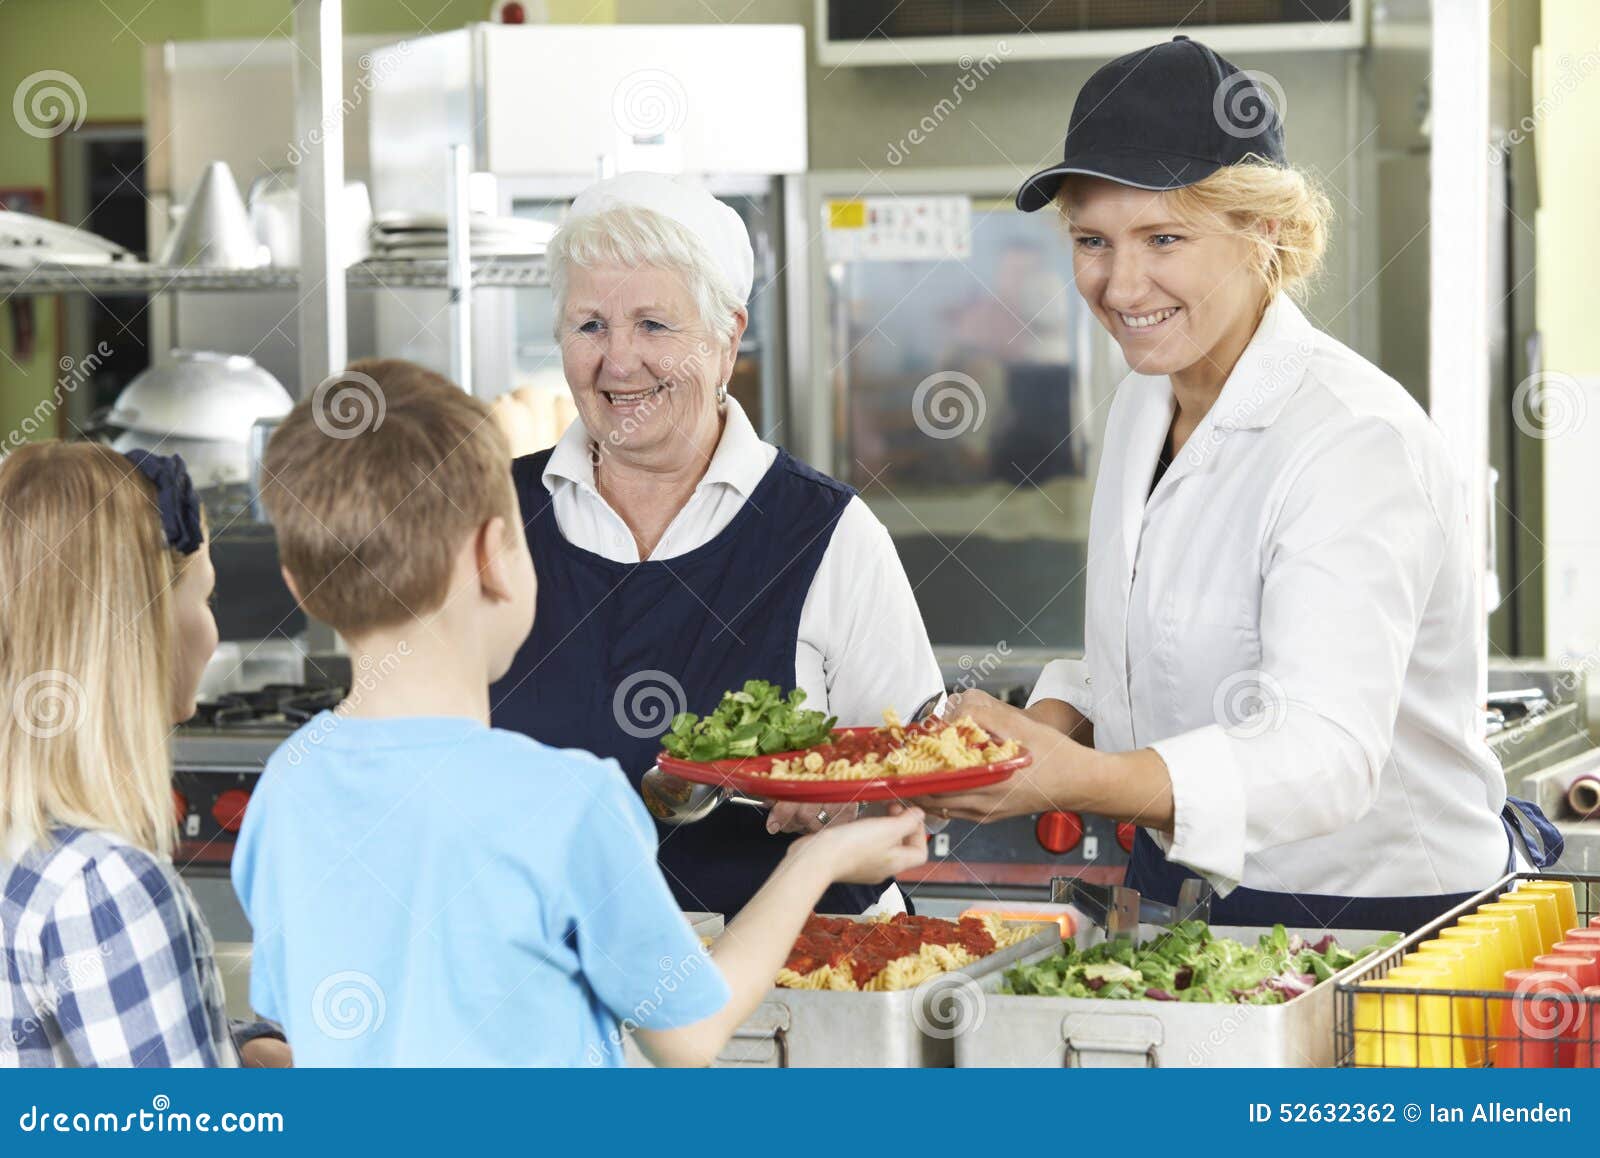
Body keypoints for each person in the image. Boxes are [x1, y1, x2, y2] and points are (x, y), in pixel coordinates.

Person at [913, 36, 1560, 931]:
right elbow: (1145, 655)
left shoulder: (1351, 439)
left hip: (1380, 924)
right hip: (1192, 906)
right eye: (1091, 240)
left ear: (1268, 232)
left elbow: (1323, 755)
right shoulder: (1146, 401)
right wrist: (1043, 725)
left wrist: (1079, 781)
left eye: (1164, 237)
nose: (1119, 282)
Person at [238, 360, 928, 1066]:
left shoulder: (286, 786)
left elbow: (296, 1037)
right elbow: (687, 1033)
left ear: (301, 585)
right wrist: (818, 860)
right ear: (495, 558)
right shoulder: (566, 800)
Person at [488, 172, 942, 917]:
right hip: (549, 985)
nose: (619, 362)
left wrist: (843, 808)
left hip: (799, 988)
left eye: (654, 327)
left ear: (728, 338)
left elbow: (916, 789)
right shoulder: (490, 515)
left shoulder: (825, 534)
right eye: (590, 325)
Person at [0, 444, 289, 1066]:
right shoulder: (103, 889)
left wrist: (236, 1047)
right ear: (144, 628)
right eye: (205, 599)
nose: (211, 633)